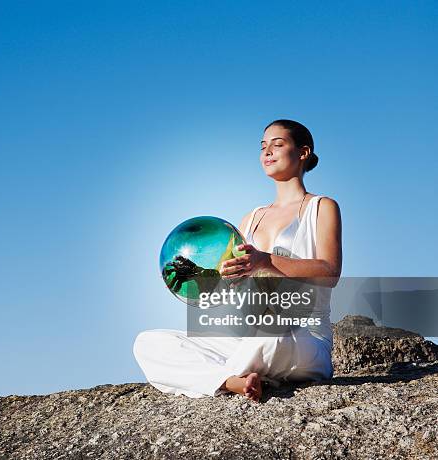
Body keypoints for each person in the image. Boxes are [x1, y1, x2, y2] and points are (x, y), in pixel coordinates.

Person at [133, 119, 342, 402]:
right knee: (148, 343)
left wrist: (265, 261)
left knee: (271, 336)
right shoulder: (251, 218)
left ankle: (218, 375)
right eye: (263, 146)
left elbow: (330, 272)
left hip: (300, 337)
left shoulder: (322, 207)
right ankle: (233, 380)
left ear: (303, 153)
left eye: (277, 144)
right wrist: (206, 277)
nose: (267, 151)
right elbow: (234, 288)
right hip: (247, 335)